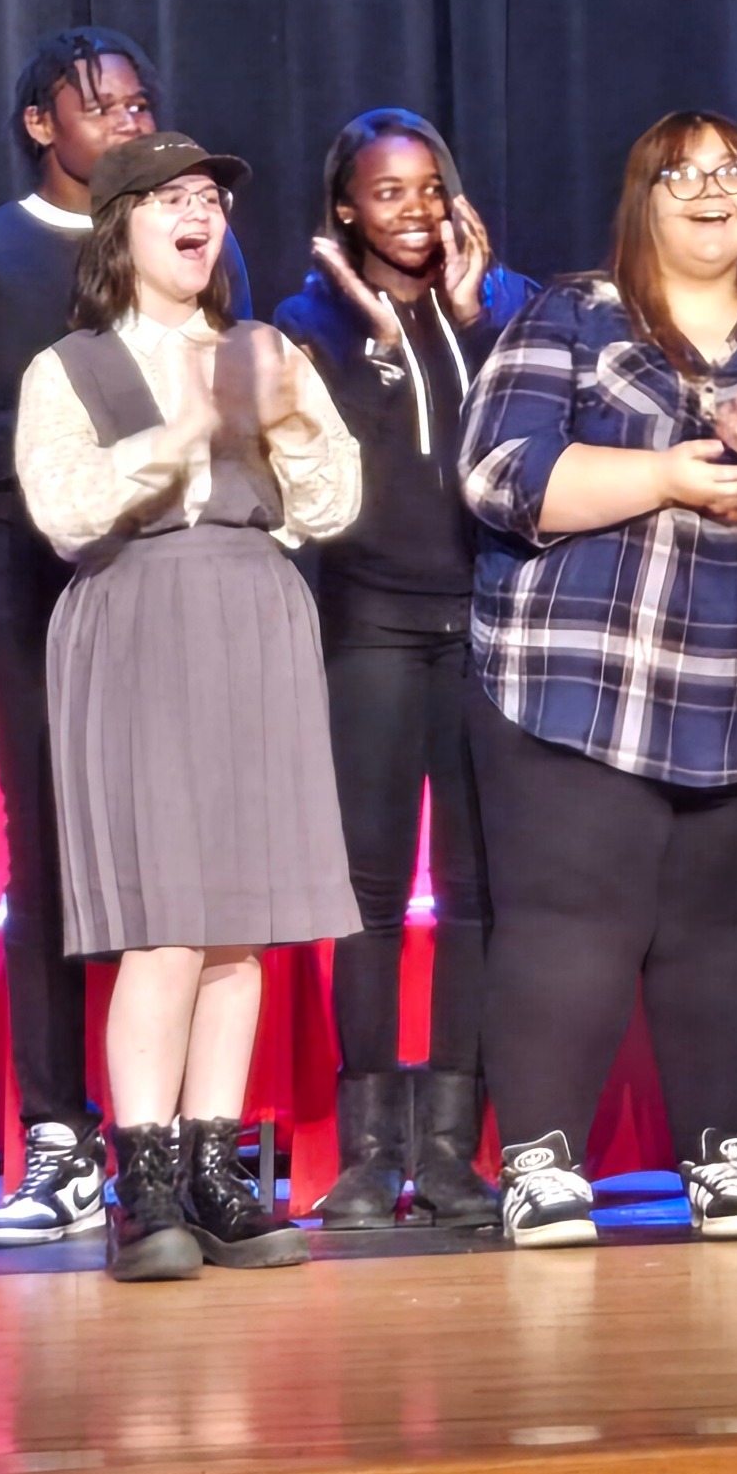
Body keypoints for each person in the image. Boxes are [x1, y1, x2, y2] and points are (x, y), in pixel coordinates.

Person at [458, 113, 737, 1247]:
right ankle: (544, 1163)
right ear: (643, 198)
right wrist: (669, 472)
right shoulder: (567, 316)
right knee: (572, 921)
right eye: (682, 174)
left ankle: (723, 1154)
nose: (711, 192)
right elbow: (499, 471)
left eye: (732, 172)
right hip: (585, 675)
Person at [0, 27, 251, 1250]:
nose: (121, 118)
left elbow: (241, 404)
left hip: (182, 578)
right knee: (56, 855)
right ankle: (60, 1132)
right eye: (96, 104)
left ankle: (176, 1145)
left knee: (191, 870)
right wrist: (110, 405)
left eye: (139, 102)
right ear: (40, 126)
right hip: (35, 578)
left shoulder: (198, 240)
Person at [18, 136, 364, 1282]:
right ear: (119, 224)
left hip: (254, 608)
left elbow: (327, 502)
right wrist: (188, 427)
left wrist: (284, 413)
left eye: (211, 198)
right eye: (171, 197)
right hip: (138, 611)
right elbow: (68, 518)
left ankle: (220, 1172)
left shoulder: (263, 350)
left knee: (240, 926)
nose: (198, 214)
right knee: (162, 925)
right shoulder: (68, 366)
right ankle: (144, 1178)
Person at [274, 109, 532, 1230]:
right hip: (368, 625)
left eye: (430, 186)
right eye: (389, 192)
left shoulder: (503, 307)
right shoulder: (305, 323)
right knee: (370, 897)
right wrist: (378, 341)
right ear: (346, 207)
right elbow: (346, 477)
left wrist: (473, 319)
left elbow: (512, 443)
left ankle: (452, 1150)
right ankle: (370, 1152)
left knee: (477, 898)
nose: (416, 210)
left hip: (482, 625)